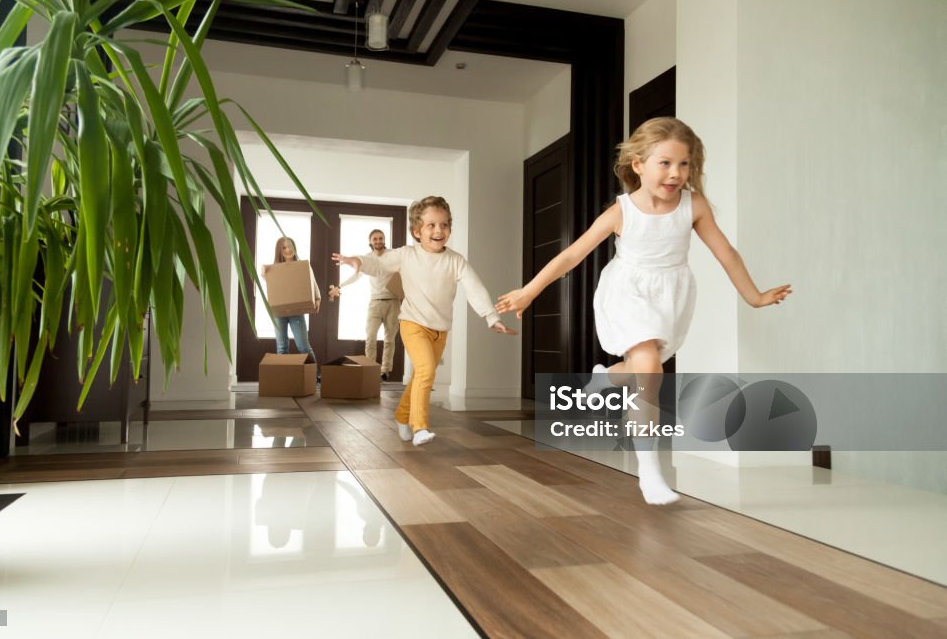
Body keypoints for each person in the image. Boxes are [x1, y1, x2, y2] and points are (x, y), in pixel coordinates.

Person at [496, 118, 791, 505]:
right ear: (638, 165)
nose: (675, 173)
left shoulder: (693, 205)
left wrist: (753, 296)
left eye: (684, 164)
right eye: (665, 163)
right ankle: (650, 473)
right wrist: (529, 292)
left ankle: (605, 379)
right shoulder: (622, 211)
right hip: (627, 291)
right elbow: (572, 254)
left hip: (670, 295)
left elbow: (726, 253)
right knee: (650, 368)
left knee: (643, 370)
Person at [333, 196, 516, 446]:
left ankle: (402, 415)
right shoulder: (406, 255)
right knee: (427, 371)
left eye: (444, 224)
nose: (439, 230)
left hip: (440, 330)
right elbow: (378, 264)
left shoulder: (455, 260)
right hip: (413, 323)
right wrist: (358, 261)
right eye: (431, 225)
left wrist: (491, 317)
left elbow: (475, 288)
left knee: (422, 374)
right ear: (417, 231)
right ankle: (420, 427)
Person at [328, 229, 404, 382]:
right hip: (375, 302)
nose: (378, 241)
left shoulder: (393, 256)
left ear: (384, 240)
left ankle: (385, 371)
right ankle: (370, 369)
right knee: (370, 337)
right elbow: (356, 275)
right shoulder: (367, 259)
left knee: (390, 339)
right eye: (375, 239)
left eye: (380, 238)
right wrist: (340, 286)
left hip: (393, 301)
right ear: (370, 242)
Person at [261, 237, 320, 362]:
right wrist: (264, 273)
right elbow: (272, 287)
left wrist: (318, 298)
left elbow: (312, 282)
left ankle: (316, 378)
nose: (288, 249)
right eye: (284, 247)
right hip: (278, 313)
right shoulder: (275, 268)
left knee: (304, 347)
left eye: (290, 246)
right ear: (279, 251)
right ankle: (285, 379)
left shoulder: (303, 266)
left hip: (296, 312)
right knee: (282, 348)